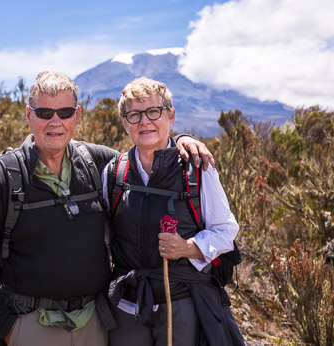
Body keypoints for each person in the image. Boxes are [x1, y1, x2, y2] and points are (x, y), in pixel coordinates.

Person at [0, 71, 214, 346]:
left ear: (77, 116)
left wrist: (181, 142)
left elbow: (147, 155)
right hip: (29, 325)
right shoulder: (3, 177)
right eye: (44, 112)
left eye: (65, 112)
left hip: (94, 324)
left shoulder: (97, 162)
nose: (55, 122)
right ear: (28, 115)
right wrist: (6, 326)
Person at [104, 77, 245, 345]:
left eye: (154, 112)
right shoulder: (114, 172)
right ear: (124, 123)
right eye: (134, 115)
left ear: (171, 116)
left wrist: (187, 247)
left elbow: (226, 231)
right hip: (127, 304)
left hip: (181, 300)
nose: (144, 121)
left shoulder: (197, 168)